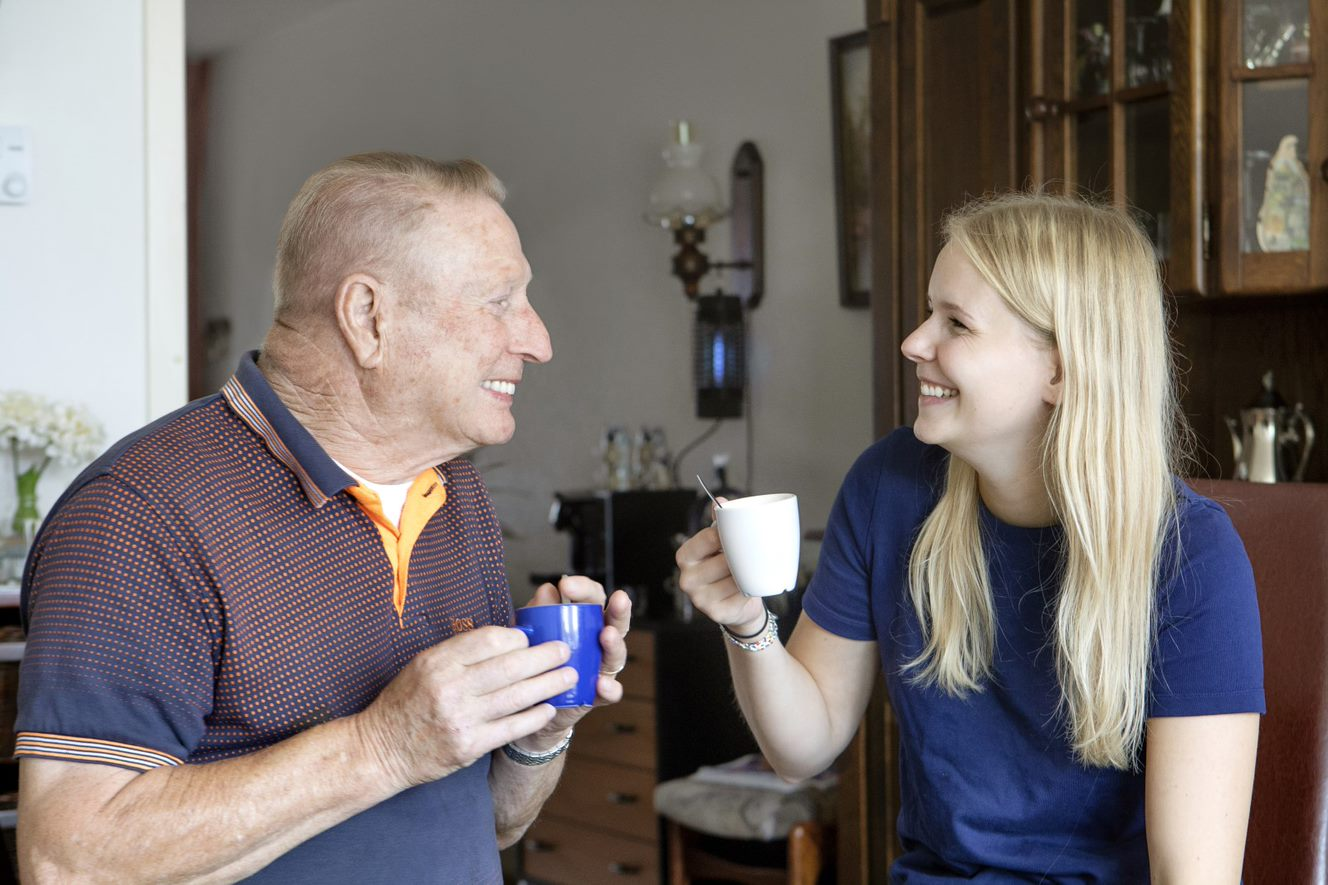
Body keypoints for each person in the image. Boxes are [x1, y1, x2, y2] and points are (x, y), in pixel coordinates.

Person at [15, 152, 632, 883]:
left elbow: (490, 822)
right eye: (499, 301)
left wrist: (538, 726)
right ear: (368, 316)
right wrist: (381, 746)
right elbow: (67, 863)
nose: (537, 340)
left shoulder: (454, 494)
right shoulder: (138, 515)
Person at [676, 192, 1263, 882]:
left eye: (955, 322)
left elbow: (1192, 874)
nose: (914, 342)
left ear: (1062, 370)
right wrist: (748, 623)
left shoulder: (1192, 556)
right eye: (931, 312)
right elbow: (803, 748)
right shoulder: (888, 485)